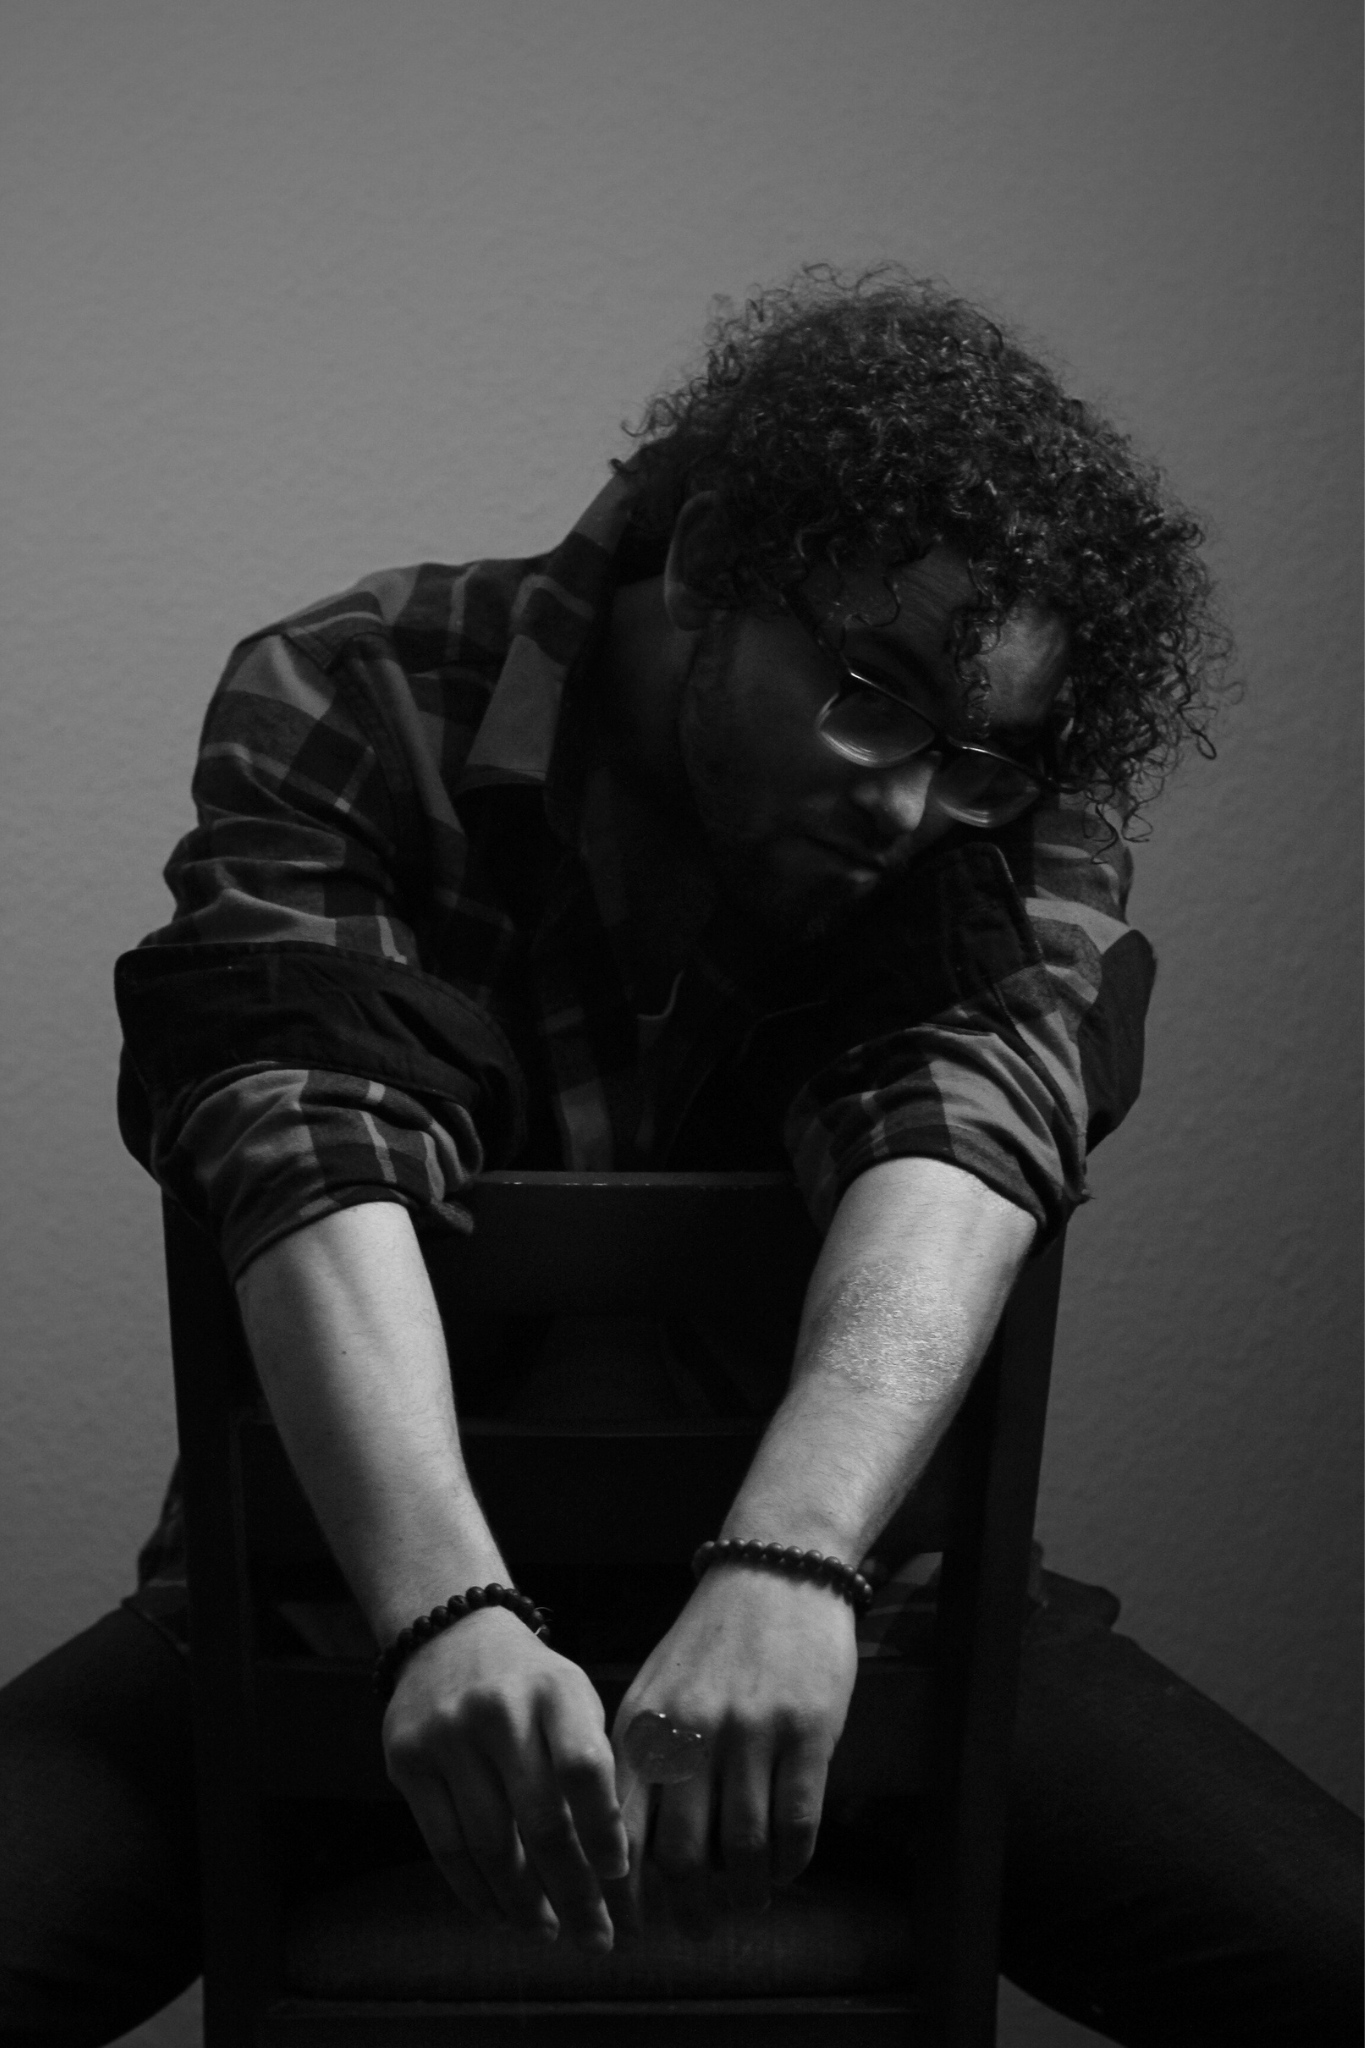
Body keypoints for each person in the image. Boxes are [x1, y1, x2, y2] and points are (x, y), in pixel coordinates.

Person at [1, 270, 1358, 2046]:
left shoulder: (987, 799)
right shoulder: (359, 689)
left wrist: (791, 1568)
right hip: (317, 1623)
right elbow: (303, 1136)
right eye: (868, 693)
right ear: (711, 561)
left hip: (878, 1633)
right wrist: (447, 1617)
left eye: (976, 753)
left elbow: (969, 1124)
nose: (907, 800)